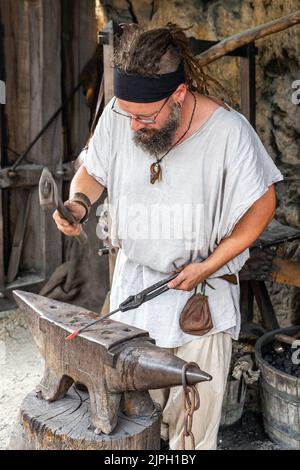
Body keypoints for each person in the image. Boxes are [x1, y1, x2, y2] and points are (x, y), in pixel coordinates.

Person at [53, 24, 283, 450]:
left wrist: (210, 265)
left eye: (145, 117)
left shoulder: (228, 132)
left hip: (196, 300)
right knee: (132, 426)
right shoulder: (121, 114)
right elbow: (93, 170)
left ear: (178, 97)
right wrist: (79, 204)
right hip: (135, 292)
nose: (135, 125)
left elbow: (262, 205)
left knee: (188, 436)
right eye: (128, 115)